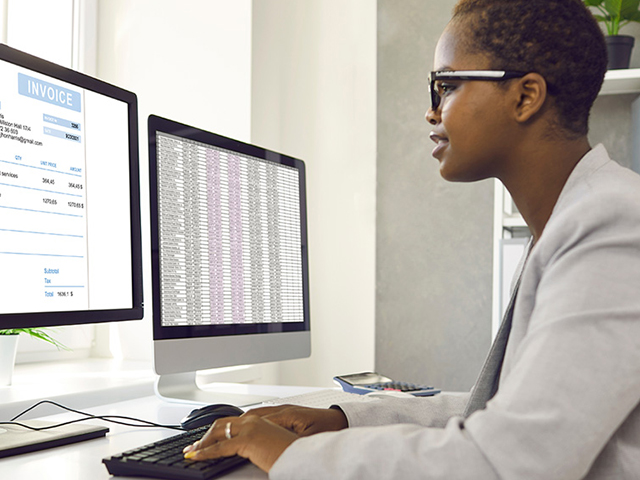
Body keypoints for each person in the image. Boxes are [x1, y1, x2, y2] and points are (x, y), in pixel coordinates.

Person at [183, 0, 640, 478]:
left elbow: (508, 460)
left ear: (525, 97)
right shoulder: (573, 220)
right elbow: (499, 410)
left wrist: (287, 454)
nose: (431, 111)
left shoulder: (611, 224)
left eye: (446, 86)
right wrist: (343, 419)